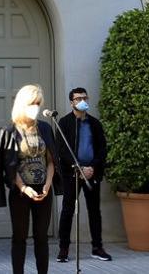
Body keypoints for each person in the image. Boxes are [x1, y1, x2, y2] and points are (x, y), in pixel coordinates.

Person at [0, 84, 57, 274]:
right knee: (20, 236)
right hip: (21, 191)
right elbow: (8, 166)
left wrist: (47, 185)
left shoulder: (45, 128)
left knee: (41, 237)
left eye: (38, 103)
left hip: (43, 189)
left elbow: (52, 161)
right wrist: (23, 188)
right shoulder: (10, 131)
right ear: (22, 104)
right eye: (32, 103)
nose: (35, 107)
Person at [54, 87, 111, 262]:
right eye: (78, 98)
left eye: (84, 97)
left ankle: (97, 247)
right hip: (72, 173)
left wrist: (92, 167)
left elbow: (102, 149)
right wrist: (77, 168)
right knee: (68, 210)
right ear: (71, 102)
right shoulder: (64, 123)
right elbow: (61, 150)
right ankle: (64, 249)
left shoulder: (95, 123)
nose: (82, 101)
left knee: (94, 210)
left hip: (92, 172)